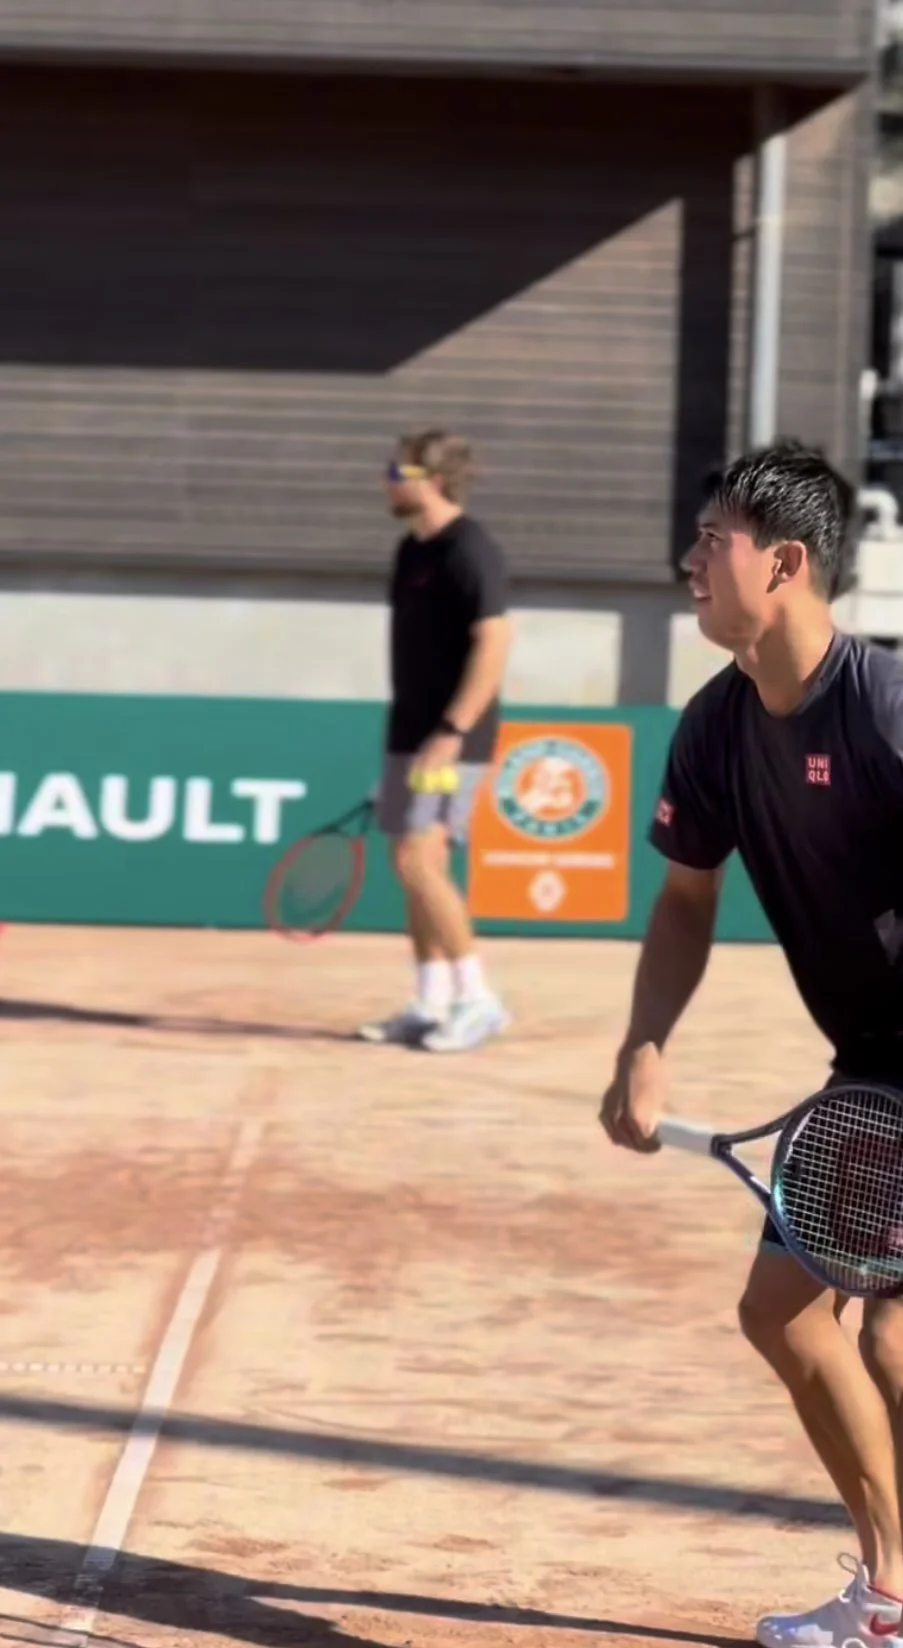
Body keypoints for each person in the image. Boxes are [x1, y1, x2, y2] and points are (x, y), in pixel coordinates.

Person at [600, 439, 903, 1648]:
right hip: (871, 1062)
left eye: (710, 540)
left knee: (886, 1330)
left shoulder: (884, 708)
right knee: (786, 1312)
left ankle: (891, 1601)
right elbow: (686, 898)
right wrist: (645, 1043)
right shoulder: (717, 725)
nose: (687, 561)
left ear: (782, 563)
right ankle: (891, 1594)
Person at [359, 429, 512, 1053]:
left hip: (453, 737)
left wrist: (452, 732)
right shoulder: (410, 550)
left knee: (416, 861)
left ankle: (478, 1000)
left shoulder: (469, 549)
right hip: (409, 733)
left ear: (437, 480)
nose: (388, 480)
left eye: (400, 471)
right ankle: (431, 1001)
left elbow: (494, 644)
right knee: (416, 866)